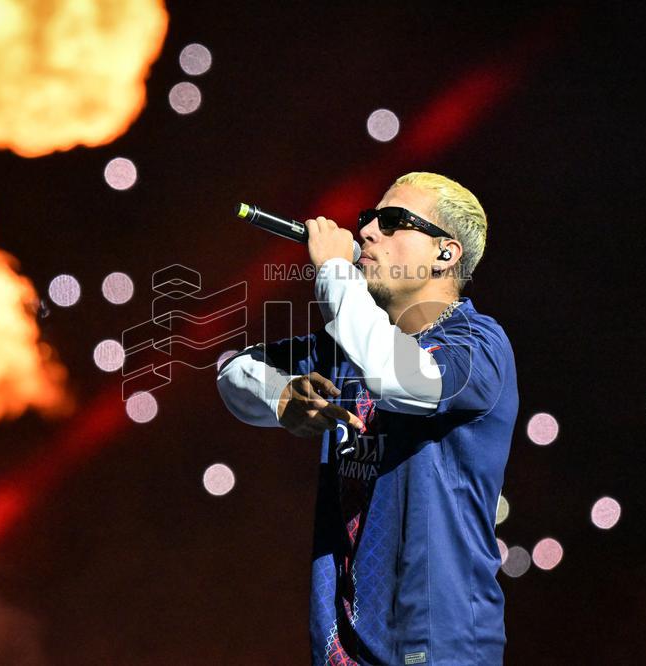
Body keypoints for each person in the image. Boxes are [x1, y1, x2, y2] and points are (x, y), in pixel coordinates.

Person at [216, 172, 519, 665]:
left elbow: (396, 375)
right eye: (368, 220)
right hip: (342, 652)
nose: (367, 233)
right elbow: (234, 371)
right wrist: (282, 398)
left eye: (393, 221)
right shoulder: (346, 345)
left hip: (441, 649)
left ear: (446, 253)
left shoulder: (479, 346)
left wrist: (335, 271)